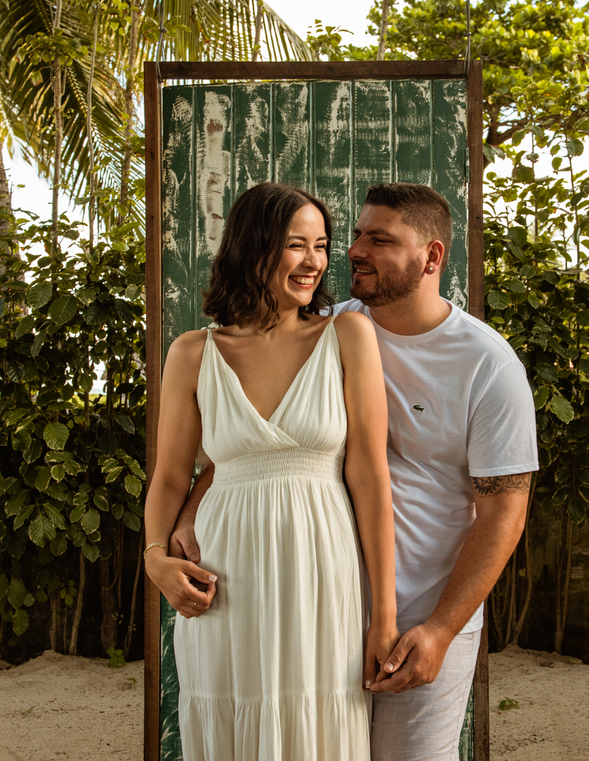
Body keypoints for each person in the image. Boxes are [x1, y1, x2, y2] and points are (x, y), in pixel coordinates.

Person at [172, 182, 539, 760]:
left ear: (432, 256)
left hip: (420, 611)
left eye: (380, 240)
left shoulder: (487, 364)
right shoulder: (326, 327)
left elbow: (504, 512)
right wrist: (189, 514)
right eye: (357, 234)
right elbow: (257, 445)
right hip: (318, 601)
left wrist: (441, 629)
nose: (354, 251)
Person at [143, 182, 398, 760]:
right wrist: (155, 559)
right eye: (296, 244)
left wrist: (383, 614)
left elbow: (370, 476)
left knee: (318, 725)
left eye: (321, 245)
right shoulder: (192, 353)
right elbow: (169, 477)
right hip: (225, 577)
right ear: (253, 246)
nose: (314, 262)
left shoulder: (347, 335)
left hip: (321, 571)